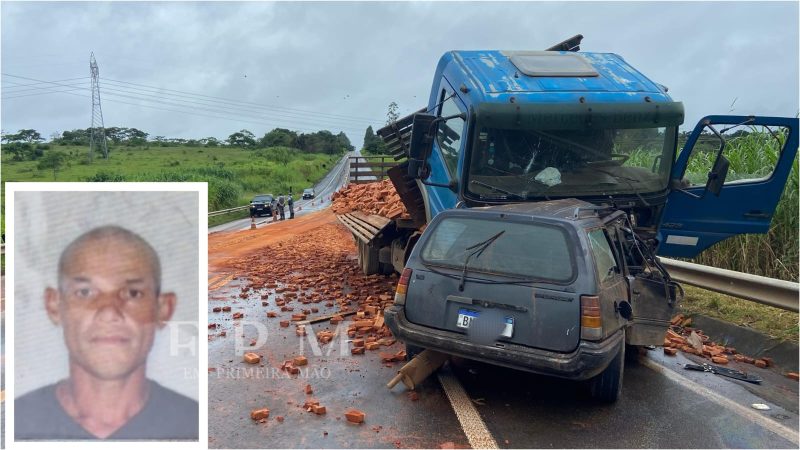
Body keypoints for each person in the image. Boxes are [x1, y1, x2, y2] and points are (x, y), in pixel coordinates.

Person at [15, 225, 198, 440]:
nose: (109, 312)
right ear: (54, 304)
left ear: (163, 308)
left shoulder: (192, 425)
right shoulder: (21, 423)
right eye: (85, 292)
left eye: (132, 293)